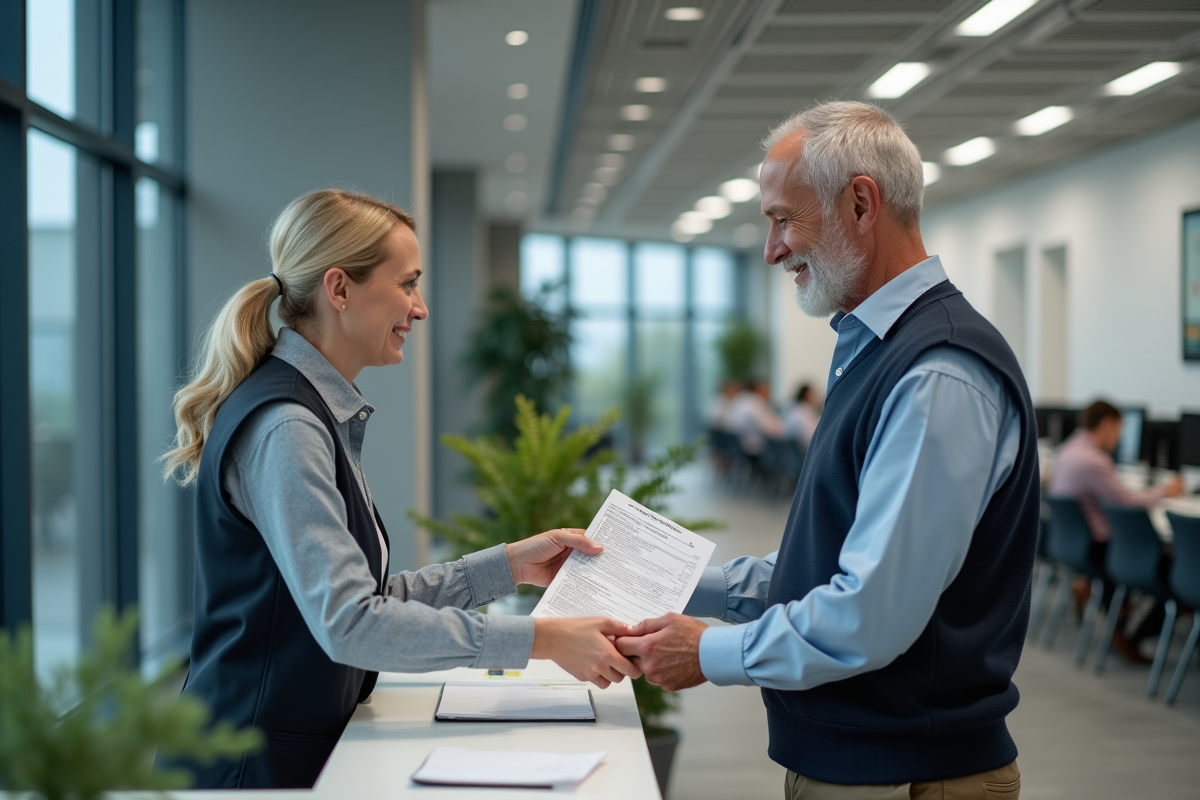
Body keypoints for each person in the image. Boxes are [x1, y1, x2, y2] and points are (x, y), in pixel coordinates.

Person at [616, 101, 1039, 799]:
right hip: (873, 763)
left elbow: (869, 613)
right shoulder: (877, 351)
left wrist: (708, 651)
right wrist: (671, 579)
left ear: (861, 204)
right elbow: (835, 558)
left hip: (909, 774)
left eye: (783, 219)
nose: (772, 249)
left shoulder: (935, 372)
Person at [158, 189, 638, 789]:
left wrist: (510, 564)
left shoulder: (311, 412)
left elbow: (370, 598)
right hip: (249, 769)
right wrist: (540, 639)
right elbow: (354, 623)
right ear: (339, 289)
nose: (421, 308)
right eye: (407, 283)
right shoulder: (288, 427)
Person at [1048, 400, 1182, 660]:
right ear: (1107, 425)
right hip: (1100, 550)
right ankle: (1131, 636)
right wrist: (1166, 491)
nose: (1120, 438)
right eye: (1120, 430)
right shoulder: (1094, 460)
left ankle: (1092, 591)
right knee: (1174, 567)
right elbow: (1127, 503)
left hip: (1071, 546)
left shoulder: (1066, 451)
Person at [725, 377, 783, 456]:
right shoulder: (754, 403)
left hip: (737, 445)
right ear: (757, 389)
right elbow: (771, 429)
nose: (768, 394)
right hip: (751, 446)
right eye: (766, 390)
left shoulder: (741, 399)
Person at [782, 382, 821, 448]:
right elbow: (812, 436)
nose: (816, 398)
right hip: (803, 451)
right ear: (806, 395)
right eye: (813, 395)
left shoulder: (793, 409)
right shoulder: (804, 412)